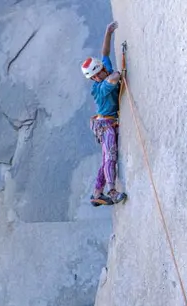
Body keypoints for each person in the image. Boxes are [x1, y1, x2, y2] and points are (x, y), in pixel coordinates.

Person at [82, 21, 127, 207]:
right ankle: (112, 190)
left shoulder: (104, 68)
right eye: (98, 73)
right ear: (93, 78)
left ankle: (96, 193)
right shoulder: (99, 89)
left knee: (105, 159)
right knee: (110, 156)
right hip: (105, 125)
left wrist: (108, 33)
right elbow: (114, 78)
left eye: (101, 70)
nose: (101, 73)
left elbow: (105, 53)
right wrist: (116, 73)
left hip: (105, 122)